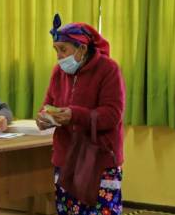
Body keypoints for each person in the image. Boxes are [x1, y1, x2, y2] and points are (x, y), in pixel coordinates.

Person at [36, 14, 125, 214]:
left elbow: (112, 114)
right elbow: (47, 104)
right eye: (55, 50)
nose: (58, 56)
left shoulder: (109, 69)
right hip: (66, 160)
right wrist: (44, 118)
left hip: (99, 160)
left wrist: (73, 114)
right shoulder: (58, 72)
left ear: (82, 48)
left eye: (63, 49)